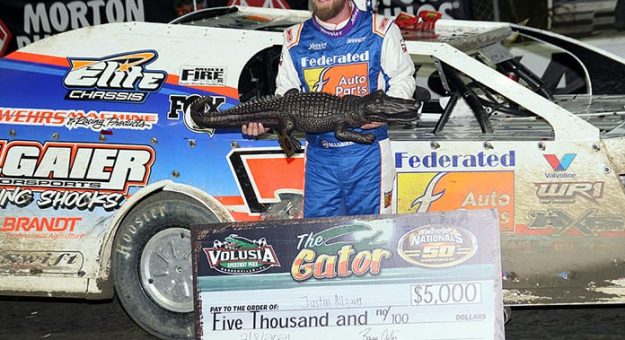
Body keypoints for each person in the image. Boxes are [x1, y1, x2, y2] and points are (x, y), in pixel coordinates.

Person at [243, 0, 416, 218]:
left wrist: (384, 115)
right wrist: (264, 123)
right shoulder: (294, 38)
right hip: (320, 157)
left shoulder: (380, 29)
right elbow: (284, 96)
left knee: (373, 236)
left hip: (368, 155)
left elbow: (403, 79)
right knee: (320, 237)